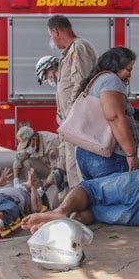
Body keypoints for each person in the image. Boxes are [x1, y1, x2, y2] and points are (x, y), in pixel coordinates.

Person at [48, 15, 97, 190]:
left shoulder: (78, 48)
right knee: (71, 168)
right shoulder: (70, 51)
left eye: (51, 35)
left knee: (78, 168)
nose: (52, 40)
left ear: (55, 31)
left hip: (76, 122)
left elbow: (81, 83)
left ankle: (82, 208)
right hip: (71, 123)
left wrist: (70, 115)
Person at [75, 47, 139, 180]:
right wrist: (131, 154)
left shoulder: (97, 81)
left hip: (87, 153)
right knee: (115, 199)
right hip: (107, 157)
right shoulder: (111, 80)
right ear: (116, 66)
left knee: (95, 199)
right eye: (128, 69)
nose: (130, 75)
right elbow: (114, 117)